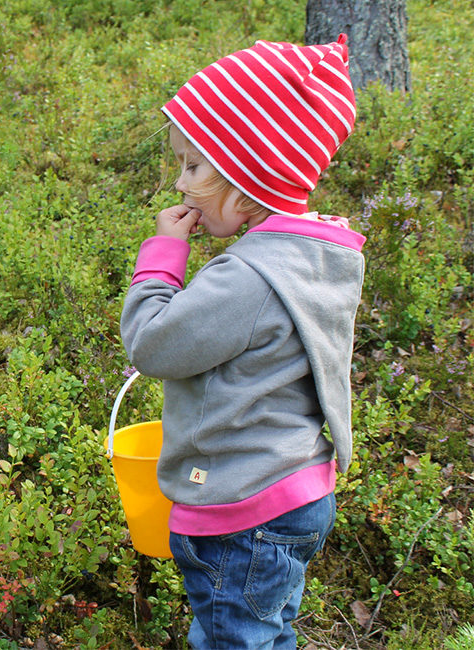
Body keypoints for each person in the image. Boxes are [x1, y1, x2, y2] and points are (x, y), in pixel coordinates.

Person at [120, 35, 366, 649]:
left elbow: (151, 346)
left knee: (232, 637)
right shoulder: (318, 253)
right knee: (267, 628)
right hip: (299, 491)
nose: (181, 184)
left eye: (194, 166)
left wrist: (163, 259)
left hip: (241, 509)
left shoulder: (248, 278)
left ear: (248, 174)